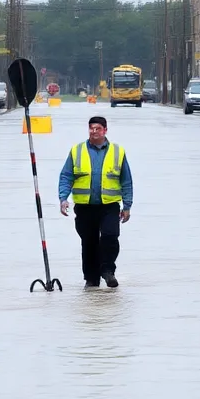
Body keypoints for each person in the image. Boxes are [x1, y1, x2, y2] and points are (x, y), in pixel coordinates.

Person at [58, 116, 133, 289]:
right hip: (85, 207)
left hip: (110, 206)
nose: (94, 131)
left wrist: (127, 205)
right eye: (91, 128)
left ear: (105, 130)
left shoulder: (118, 152)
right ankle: (91, 279)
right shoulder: (77, 150)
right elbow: (66, 176)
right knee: (89, 242)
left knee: (110, 236)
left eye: (98, 128)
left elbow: (126, 180)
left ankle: (107, 271)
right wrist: (63, 198)